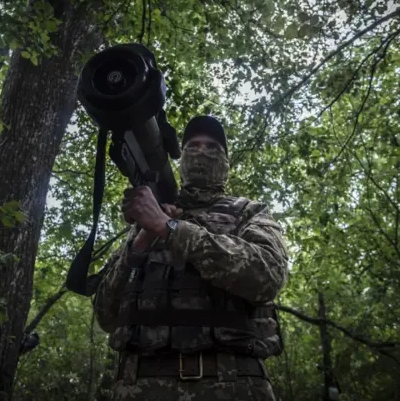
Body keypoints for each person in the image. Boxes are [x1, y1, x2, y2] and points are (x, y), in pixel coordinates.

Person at [92, 115, 289, 400]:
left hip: (230, 386)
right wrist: (142, 239)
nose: (201, 152)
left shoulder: (249, 212)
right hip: (137, 389)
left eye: (212, 147)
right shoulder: (150, 220)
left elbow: (267, 275)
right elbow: (106, 317)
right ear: (180, 158)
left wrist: (169, 228)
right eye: (193, 145)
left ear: (225, 162)